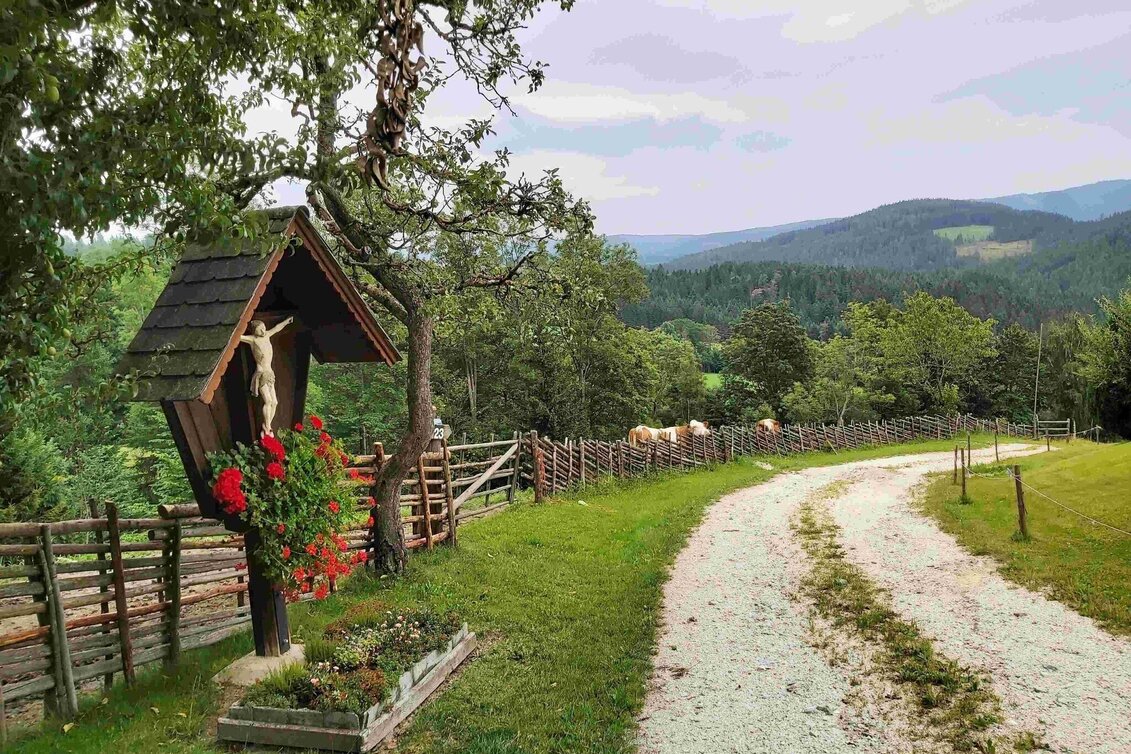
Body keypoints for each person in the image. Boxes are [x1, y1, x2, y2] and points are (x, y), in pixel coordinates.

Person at [240, 316, 294, 436]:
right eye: (260, 330)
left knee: (274, 402)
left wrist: (286, 321)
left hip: (270, 373)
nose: (263, 331)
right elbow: (238, 336)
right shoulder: (252, 340)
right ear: (254, 331)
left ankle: (267, 424)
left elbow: (277, 328)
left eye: (264, 328)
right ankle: (268, 427)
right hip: (262, 374)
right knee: (268, 401)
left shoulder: (267, 335)